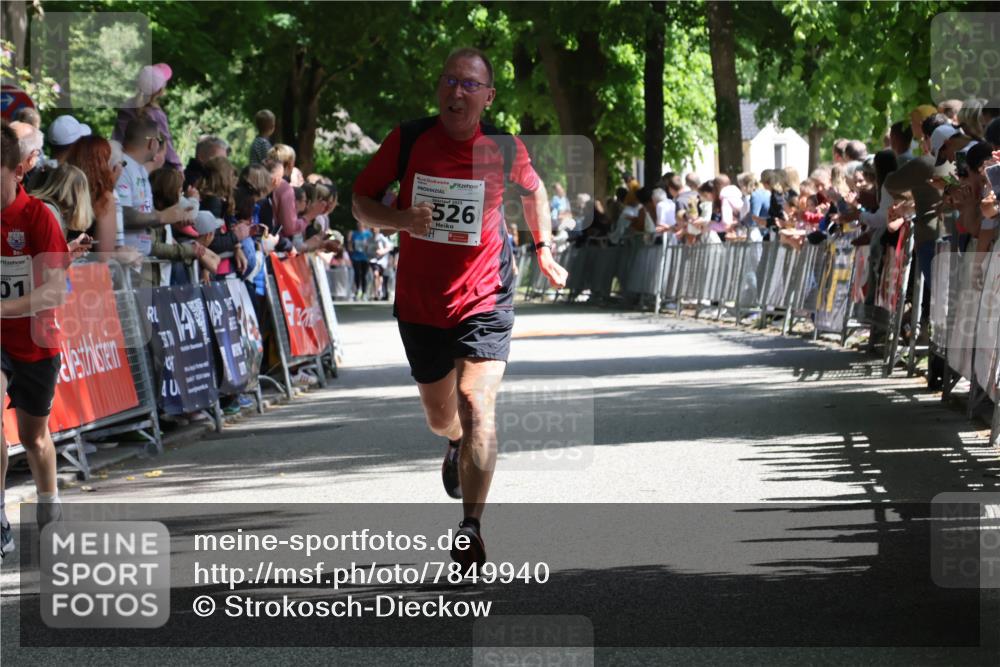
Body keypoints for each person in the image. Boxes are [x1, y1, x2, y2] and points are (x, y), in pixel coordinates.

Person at [352, 47, 566, 570]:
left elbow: (535, 192)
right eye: (450, 81)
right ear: (438, 89)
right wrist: (402, 220)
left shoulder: (504, 147)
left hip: (485, 295)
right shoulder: (407, 140)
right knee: (441, 417)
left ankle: (471, 528)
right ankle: (453, 442)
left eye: (470, 84)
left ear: (487, 97)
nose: (457, 91)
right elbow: (360, 201)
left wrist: (543, 248)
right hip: (422, 302)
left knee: (476, 402)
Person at [1, 121, 70, 558]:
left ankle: (49, 504)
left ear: (16, 172)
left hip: (35, 342)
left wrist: (4, 308)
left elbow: (55, 291)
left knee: (35, 439)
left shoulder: (38, 217)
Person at [112, 63, 182, 172]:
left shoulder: (126, 107)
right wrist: (178, 166)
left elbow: (117, 138)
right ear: (160, 91)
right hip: (146, 170)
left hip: (121, 165)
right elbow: (166, 145)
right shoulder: (157, 114)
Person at [348, 220, 373, 299]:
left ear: (364, 225)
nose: (359, 225)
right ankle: (358, 290)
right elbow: (350, 245)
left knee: (364, 275)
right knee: (357, 274)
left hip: (365, 257)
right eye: (358, 224)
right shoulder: (354, 233)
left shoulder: (368, 234)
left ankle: (364, 292)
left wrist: (368, 247)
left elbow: (372, 245)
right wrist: (350, 247)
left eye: (361, 224)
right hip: (356, 257)